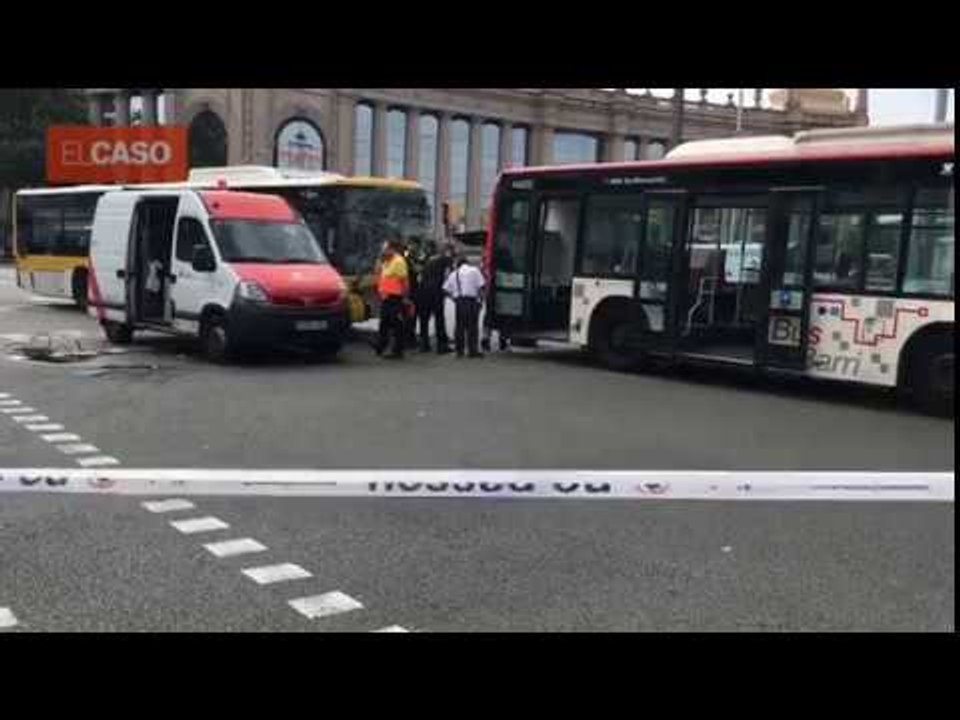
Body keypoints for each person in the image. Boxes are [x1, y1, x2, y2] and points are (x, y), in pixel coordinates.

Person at [443, 254, 486, 358]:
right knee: (472, 327)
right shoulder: (475, 270)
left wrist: (454, 298)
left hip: (460, 301)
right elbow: (481, 287)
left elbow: (445, 289)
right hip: (472, 301)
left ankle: (459, 351)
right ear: (467, 263)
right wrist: (481, 301)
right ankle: (472, 351)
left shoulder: (454, 273)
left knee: (460, 327)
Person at [416, 241, 454, 354]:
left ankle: (424, 345)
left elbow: (418, 273)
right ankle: (441, 346)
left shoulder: (424, 259)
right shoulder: (445, 259)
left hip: (423, 291)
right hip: (436, 292)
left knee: (424, 318)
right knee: (439, 318)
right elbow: (449, 274)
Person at [375, 239, 410, 359]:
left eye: (385, 248)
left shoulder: (398, 261)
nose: (383, 250)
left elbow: (404, 281)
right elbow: (379, 274)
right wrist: (379, 261)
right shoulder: (386, 261)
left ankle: (397, 350)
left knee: (396, 324)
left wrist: (405, 297)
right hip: (386, 297)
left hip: (395, 298)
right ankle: (381, 346)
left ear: (392, 249)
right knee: (384, 323)